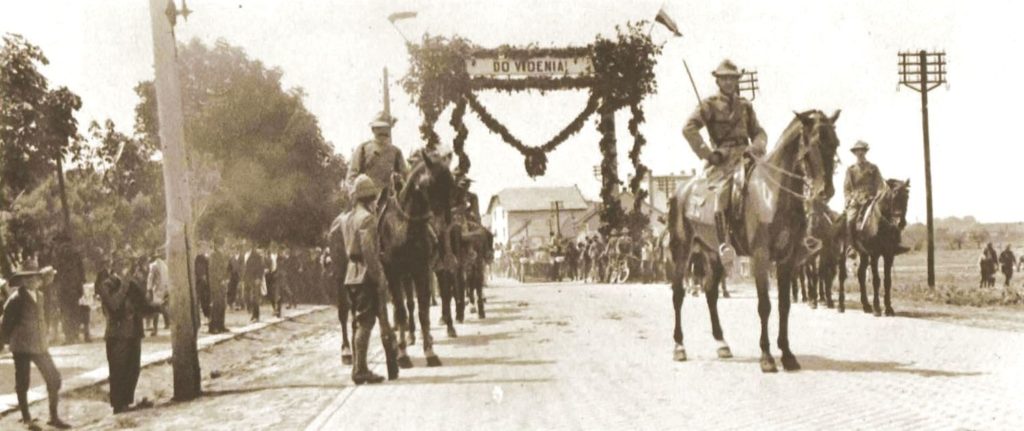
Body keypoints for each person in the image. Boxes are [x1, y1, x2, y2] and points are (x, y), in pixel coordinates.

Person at [683, 59, 768, 257]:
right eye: (724, 79)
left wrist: (756, 147)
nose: (729, 82)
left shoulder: (745, 106)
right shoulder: (709, 105)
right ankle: (724, 244)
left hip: (747, 156)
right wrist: (707, 153)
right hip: (722, 160)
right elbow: (689, 128)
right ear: (718, 81)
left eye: (732, 78)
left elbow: (759, 132)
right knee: (722, 194)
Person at [0, 260, 71, 429]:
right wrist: (3, 343)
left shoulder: (40, 296)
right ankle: (27, 419)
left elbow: (42, 319)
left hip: (39, 346)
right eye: (27, 278)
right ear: (22, 281)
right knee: (23, 382)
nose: (31, 280)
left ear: (38, 278)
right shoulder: (15, 299)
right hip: (22, 347)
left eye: (34, 277)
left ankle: (53, 417)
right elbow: (5, 325)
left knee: (54, 378)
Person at [342, 174, 398, 384]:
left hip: (351, 274)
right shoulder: (367, 218)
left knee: (357, 322)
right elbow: (368, 251)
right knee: (366, 322)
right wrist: (379, 276)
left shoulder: (347, 218)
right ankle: (361, 370)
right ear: (369, 197)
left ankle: (359, 367)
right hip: (365, 274)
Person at [96, 256, 156, 414]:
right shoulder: (106, 285)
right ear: (113, 268)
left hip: (134, 332)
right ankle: (118, 405)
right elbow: (114, 305)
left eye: (128, 266)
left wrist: (158, 307)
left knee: (133, 369)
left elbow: (143, 306)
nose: (126, 270)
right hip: (117, 334)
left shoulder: (133, 284)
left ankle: (126, 403)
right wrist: (124, 284)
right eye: (122, 265)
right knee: (118, 370)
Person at [346, 112, 408, 193]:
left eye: (386, 128)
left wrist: (399, 180)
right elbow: (351, 176)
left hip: (389, 198)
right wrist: (357, 196)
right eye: (379, 128)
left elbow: (405, 177)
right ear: (373, 129)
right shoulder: (363, 149)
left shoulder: (396, 152)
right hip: (366, 198)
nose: (383, 131)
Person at [844, 141, 884, 252]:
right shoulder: (851, 170)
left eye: (861, 150)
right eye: (857, 151)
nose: (859, 153)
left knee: (884, 219)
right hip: (856, 200)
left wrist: (877, 196)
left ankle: (889, 244)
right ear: (855, 153)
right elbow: (847, 189)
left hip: (871, 199)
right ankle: (851, 247)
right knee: (850, 220)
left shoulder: (873, 168)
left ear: (865, 152)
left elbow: (880, 185)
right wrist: (849, 199)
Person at [53, 233, 86, 345]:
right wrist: (81, 282)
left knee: (65, 311)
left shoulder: (58, 252)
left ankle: (69, 336)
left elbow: (55, 269)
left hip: (63, 286)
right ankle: (75, 334)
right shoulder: (75, 252)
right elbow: (81, 269)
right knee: (74, 310)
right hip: (75, 286)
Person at [146, 252, 170, 336]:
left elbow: (150, 278)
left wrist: (148, 289)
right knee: (163, 307)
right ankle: (168, 323)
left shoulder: (153, 265)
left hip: (156, 290)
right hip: (165, 289)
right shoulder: (165, 265)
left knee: (156, 309)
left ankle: (155, 329)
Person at [208, 240, 229, 334]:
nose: (222, 247)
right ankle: (213, 327)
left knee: (222, 305)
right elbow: (213, 271)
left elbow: (225, 269)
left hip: (222, 283)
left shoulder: (222, 255)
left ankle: (221, 325)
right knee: (216, 305)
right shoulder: (213, 256)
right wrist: (221, 279)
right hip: (215, 284)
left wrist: (225, 279)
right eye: (221, 245)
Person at [242, 243, 267, 323]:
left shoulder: (256, 256)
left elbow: (261, 267)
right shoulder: (245, 255)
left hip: (254, 279)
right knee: (246, 296)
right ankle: (251, 311)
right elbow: (243, 268)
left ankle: (256, 315)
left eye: (246, 245)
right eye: (244, 245)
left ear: (250, 246)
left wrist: (259, 278)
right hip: (246, 279)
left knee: (254, 297)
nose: (245, 246)